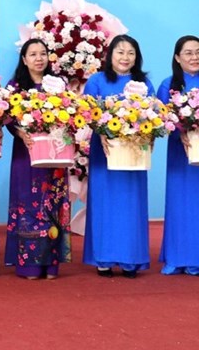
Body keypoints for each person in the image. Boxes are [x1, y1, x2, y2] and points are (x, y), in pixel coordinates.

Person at [83, 34, 153, 279]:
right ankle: (103, 258)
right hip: (106, 153)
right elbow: (88, 113)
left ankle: (130, 260)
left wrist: (150, 135)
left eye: (131, 52)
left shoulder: (144, 84)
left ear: (137, 57)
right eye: (120, 52)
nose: (125, 57)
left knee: (131, 206)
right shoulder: (96, 81)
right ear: (110, 55)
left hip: (134, 153)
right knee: (104, 204)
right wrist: (101, 132)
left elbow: (154, 117)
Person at [4, 39, 71, 280]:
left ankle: (51, 264)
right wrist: (21, 133)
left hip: (54, 155)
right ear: (24, 59)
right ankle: (29, 265)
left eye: (43, 53)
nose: (39, 58)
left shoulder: (59, 85)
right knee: (29, 204)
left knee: (52, 204)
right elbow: (8, 119)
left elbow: (71, 114)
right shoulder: (14, 87)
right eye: (33, 54)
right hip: (26, 153)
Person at [156, 35, 199, 275]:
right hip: (179, 155)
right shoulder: (169, 84)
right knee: (179, 205)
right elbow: (161, 120)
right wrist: (182, 129)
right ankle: (176, 257)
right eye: (189, 53)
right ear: (177, 58)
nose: (194, 57)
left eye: (198, 52)